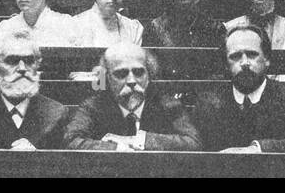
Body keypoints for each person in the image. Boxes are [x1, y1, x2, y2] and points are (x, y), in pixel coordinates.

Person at [193, 26, 285, 152]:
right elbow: (195, 148)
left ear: (267, 59)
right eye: (235, 56)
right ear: (226, 64)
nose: (244, 63)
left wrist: (259, 149)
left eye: (251, 55)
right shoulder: (208, 103)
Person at [64, 43, 201, 150]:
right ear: (106, 78)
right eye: (121, 74)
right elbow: (71, 141)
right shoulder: (93, 106)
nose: (131, 81)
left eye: (138, 72)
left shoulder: (168, 105)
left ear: (149, 75)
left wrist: (140, 141)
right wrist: (116, 148)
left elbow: (193, 142)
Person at [0, 30, 72, 149]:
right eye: (12, 61)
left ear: (37, 65)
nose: (22, 68)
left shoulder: (57, 114)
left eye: (29, 61)